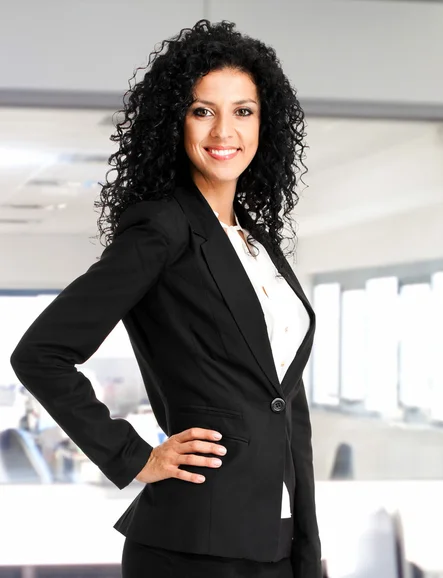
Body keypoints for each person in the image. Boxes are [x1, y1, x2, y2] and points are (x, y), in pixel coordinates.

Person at [10, 19, 321, 578]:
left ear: (264, 123)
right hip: (193, 547)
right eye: (203, 110)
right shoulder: (164, 228)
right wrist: (134, 455)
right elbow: (41, 354)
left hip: (277, 538)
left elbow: (286, 404)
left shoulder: (258, 245)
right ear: (173, 121)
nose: (224, 129)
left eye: (243, 111)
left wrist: (308, 551)